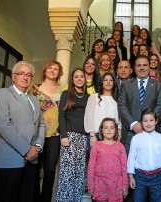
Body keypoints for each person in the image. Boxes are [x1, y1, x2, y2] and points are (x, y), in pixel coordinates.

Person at [0, 61, 45, 202]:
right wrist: (27, 149)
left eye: (29, 75)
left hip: (31, 159)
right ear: (13, 76)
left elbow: (41, 124)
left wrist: (38, 147)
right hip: (9, 159)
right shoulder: (2, 94)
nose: (25, 77)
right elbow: (3, 125)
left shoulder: (34, 100)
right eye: (21, 74)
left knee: (26, 198)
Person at [118, 55, 161, 154]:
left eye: (145, 65)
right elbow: (122, 106)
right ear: (134, 68)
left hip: (152, 133)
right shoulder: (126, 85)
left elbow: (160, 106)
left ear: (149, 67)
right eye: (139, 65)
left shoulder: (158, 85)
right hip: (130, 134)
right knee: (130, 168)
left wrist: (147, 123)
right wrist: (134, 124)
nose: (142, 68)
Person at [32, 59, 63, 202]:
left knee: (50, 170)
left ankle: (45, 199)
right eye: (50, 68)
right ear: (45, 70)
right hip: (36, 133)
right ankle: (34, 198)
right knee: (35, 168)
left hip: (55, 134)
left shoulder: (63, 91)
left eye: (55, 69)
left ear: (59, 73)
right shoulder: (34, 88)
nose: (52, 70)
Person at [56, 68, 89, 201]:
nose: (79, 79)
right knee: (67, 172)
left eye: (82, 76)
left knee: (79, 171)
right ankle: (64, 199)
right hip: (68, 136)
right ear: (72, 79)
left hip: (82, 137)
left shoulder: (88, 97)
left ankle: (76, 199)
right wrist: (63, 136)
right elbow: (61, 115)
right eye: (76, 77)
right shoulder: (66, 94)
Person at [127, 109, 161, 202]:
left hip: (157, 177)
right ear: (141, 123)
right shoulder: (136, 139)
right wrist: (131, 177)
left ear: (156, 121)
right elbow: (131, 158)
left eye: (151, 120)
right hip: (140, 177)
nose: (148, 123)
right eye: (145, 121)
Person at [87, 118, 129, 201]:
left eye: (112, 128)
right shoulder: (96, 146)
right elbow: (91, 166)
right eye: (106, 128)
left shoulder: (120, 146)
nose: (109, 130)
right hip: (100, 184)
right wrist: (90, 186)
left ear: (116, 130)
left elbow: (124, 167)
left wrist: (125, 186)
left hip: (116, 185)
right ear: (101, 130)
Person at [84, 72, 121, 152]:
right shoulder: (94, 97)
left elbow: (119, 120)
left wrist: (119, 136)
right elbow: (89, 117)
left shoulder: (117, 100)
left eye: (111, 80)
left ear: (114, 83)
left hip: (113, 136)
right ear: (102, 82)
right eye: (105, 80)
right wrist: (92, 135)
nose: (108, 82)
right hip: (96, 135)